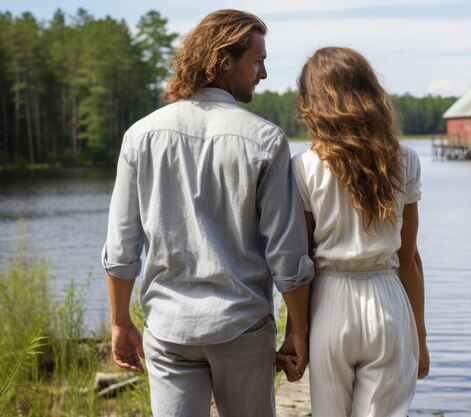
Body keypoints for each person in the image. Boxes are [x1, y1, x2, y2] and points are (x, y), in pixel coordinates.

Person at [102, 9, 313, 417]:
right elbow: (286, 254)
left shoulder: (140, 136)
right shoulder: (265, 139)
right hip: (242, 327)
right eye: (258, 61)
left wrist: (119, 322)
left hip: (168, 328)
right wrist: (297, 330)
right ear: (223, 61)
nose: (263, 73)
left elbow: (121, 246)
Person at [289, 47, 430, 417]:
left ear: (312, 101)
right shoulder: (404, 161)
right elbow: (409, 257)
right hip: (387, 300)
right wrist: (421, 335)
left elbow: (301, 263)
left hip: (328, 303)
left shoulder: (302, 167)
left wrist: (297, 333)